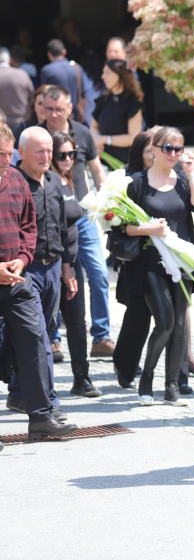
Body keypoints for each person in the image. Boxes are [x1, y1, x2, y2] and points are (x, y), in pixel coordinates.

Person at [0, 124, 77, 439]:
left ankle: (41, 416)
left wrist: (22, 258)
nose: (5, 160)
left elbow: (29, 227)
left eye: (8, 154)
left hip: (17, 280)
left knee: (36, 339)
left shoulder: (16, 180)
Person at [124, 127, 194, 406]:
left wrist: (192, 172)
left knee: (180, 324)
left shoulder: (183, 180)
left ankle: (171, 385)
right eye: (168, 148)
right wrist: (148, 229)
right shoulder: (137, 182)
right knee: (165, 321)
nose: (173, 154)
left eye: (178, 149)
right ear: (154, 150)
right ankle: (147, 377)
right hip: (151, 261)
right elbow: (124, 228)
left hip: (182, 260)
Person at [37, 85, 114, 358]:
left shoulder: (82, 132)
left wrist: (107, 201)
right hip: (51, 221)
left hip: (83, 216)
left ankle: (102, 337)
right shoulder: (39, 135)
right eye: (49, 109)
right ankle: (54, 337)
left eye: (59, 109)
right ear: (42, 108)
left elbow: (96, 168)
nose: (54, 114)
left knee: (99, 275)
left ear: (70, 108)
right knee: (55, 279)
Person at [48, 131, 94, 397]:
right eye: (61, 155)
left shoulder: (69, 179)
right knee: (46, 324)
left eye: (72, 154)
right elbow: (58, 228)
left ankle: (82, 377)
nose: (67, 159)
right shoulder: (51, 182)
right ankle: (30, 388)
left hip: (71, 263)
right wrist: (65, 267)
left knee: (77, 321)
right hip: (58, 264)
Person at [111, 130, 157, 389]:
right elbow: (117, 224)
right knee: (138, 314)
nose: (154, 155)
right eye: (149, 150)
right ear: (139, 153)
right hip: (136, 257)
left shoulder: (169, 177)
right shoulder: (130, 181)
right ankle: (125, 363)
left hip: (164, 257)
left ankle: (178, 371)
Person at [90, 59, 143, 167]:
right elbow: (93, 127)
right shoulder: (104, 100)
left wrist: (105, 139)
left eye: (107, 73)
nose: (103, 76)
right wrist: (97, 141)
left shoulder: (132, 103)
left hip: (125, 165)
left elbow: (133, 137)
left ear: (119, 75)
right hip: (103, 163)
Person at [39, 40, 88, 123]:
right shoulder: (77, 67)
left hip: (56, 117)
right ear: (64, 52)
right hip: (75, 117)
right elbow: (84, 93)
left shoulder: (47, 70)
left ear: (49, 54)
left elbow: (43, 95)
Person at [0, 47, 34, 126]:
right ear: (10, 60)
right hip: (21, 121)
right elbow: (33, 98)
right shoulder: (22, 74)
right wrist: (27, 116)